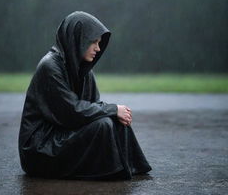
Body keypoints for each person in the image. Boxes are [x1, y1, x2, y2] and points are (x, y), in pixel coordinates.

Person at [18, 11, 152, 180]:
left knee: (115, 121)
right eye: (94, 42)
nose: (98, 48)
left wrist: (114, 113)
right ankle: (113, 171)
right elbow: (71, 112)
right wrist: (112, 109)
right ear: (78, 40)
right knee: (103, 124)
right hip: (40, 148)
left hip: (63, 133)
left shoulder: (84, 69)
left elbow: (93, 106)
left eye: (99, 43)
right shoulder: (49, 67)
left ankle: (131, 167)